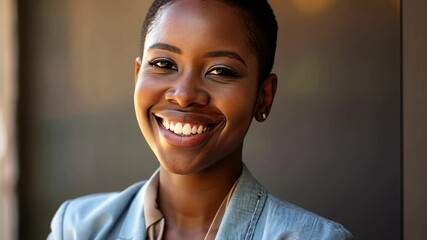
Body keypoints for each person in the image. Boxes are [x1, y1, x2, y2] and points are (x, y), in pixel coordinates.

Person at [48, 0, 353, 239]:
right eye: (164, 63)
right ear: (138, 76)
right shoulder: (77, 228)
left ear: (264, 96)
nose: (184, 95)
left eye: (220, 70)